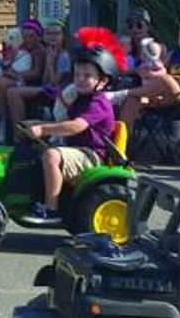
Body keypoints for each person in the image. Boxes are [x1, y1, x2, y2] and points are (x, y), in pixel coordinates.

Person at [23, 46, 118, 225]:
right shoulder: (81, 98)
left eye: (87, 76)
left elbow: (76, 126)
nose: (80, 80)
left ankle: (51, 210)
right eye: (77, 75)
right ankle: (33, 198)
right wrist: (38, 124)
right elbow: (66, 123)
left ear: (103, 81)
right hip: (78, 150)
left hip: (92, 155)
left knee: (52, 155)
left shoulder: (98, 103)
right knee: (34, 151)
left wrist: (44, 130)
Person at [118, 11, 180, 138]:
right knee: (132, 101)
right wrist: (144, 70)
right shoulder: (174, 53)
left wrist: (171, 80)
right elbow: (158, 71)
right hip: (164, 97)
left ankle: (121, 94)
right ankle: (121, 147)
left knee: (165, 79)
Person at [0, 18, 46, 143]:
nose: (29, 40)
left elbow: (36, 73)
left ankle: (2, 121)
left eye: (32, 36)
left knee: (0, 82)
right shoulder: (20, 46)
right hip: (11, 75)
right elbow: (7, 62)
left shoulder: (39, 50)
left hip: (26, 81)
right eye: (26, 36)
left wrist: (15, 74)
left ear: (38, 37)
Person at [6, 19, 70, 125]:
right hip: (47, 87)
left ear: (63, 36)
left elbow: (55, 82)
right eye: (49, 33)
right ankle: (18, 131)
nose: (52, 36)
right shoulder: (49, 50)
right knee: (11, 91)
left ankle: (21, 134)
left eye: (56, 33)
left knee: (14, 92)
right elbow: (45, 81)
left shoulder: (64, 56)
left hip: (60, 91)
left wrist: (50, 63)